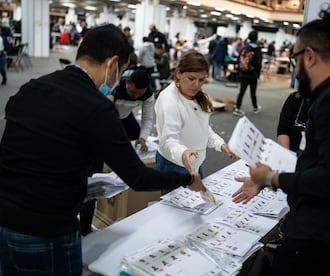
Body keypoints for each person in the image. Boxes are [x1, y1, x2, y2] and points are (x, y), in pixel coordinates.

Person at [0, 24, 205, 276]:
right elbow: (138, 178)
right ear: (112, 63)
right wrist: (187, 178)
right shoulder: (96, 107)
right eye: (121, 71)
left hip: (4, 221)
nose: (117, 80)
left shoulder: (32, 87)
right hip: (46, 230)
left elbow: (22, 153)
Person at [232, 5, 330, 276]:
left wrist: (271, 178)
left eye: (295, 60)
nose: (296, 70)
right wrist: (267, 181)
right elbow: (324, 165)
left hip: (324, 244)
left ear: (310, 56)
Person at [155, 50, 237, 194]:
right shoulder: (169, 100)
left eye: (201, 80)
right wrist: (183, 152)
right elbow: (167, 141)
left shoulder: (200, 95)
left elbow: (204, 128)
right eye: (191, 78)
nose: (196, 85)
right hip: (174, 163)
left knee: (197, 207)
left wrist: (220, 144)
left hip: (194, 162)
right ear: (179, 73)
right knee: (175, 213)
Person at [109, 69, 154, 151]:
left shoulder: (149, 94)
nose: (136, 96)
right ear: (127, 82)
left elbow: (147, 118)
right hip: (110, 116)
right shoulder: (116, 86)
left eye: (140, 94)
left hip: (126, 115)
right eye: (133, 92)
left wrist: (143, 138)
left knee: (137, 136)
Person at [233, 30, 262, 116]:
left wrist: (239, 72)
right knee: (253, 93)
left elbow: (239, 60)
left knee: (241, 92)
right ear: (256, 38)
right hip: (253, 75)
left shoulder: (244, 48)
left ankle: (237, 108)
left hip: (243, 73)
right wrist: (258, 74)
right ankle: (255, 108)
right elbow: (258, 63)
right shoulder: (257, 49)